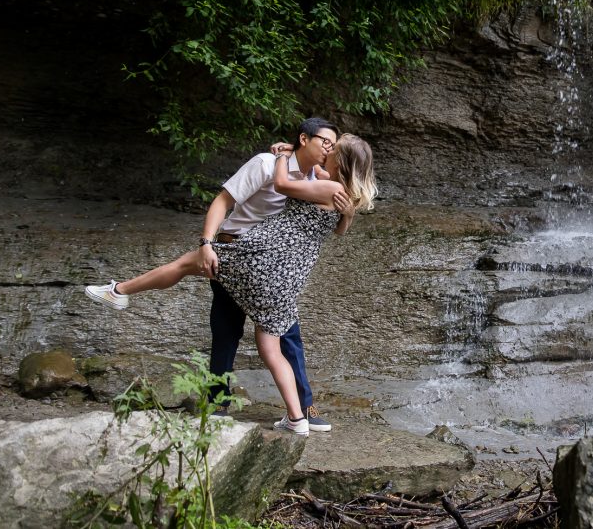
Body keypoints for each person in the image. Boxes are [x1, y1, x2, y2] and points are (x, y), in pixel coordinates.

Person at [86, 124, 376, 436]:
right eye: (326, 142)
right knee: (255, 339)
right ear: (306, 139)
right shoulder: (321, 182)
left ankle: (121, 290)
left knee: (186, 267)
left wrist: (284, 154)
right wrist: (347, 213)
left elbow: (282, 184)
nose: (328, 149)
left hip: (257, 258)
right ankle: (292, 415)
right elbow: (336, 226)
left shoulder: (313, 180)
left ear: (340, 160)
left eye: (334, 147)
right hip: (284, 270)